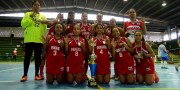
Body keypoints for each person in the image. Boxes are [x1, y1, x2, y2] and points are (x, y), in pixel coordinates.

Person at [20, 0, 47, 82]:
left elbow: (44, 28)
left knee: (38, 58)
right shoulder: (27, 14)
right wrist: (31, 18)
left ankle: (37, 74)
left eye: (38, 5)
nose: (37, 6)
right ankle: (25, 75)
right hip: (29, 39)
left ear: (39, 7)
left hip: (38, 40)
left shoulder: (43, 16)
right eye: (35, 5)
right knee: (27, 57)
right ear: (32, 6)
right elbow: (23, 25)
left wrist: (41, 36)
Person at [79, 12, 92, 80]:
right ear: (81, 17)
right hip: (80, 46)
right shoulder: (79, 25)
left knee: (87, 61)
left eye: (86, 16)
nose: (85, 18)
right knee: (80, 60)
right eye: (83, 16)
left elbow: (91, 36)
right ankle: (79, 73)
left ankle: (85, 74)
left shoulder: (90, 26)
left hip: (88, 46)